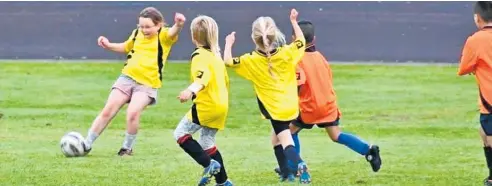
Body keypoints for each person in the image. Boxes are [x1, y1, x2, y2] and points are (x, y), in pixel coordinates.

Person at [273, 20, 382, 178]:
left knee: (289, 132)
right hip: (328, 104)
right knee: (336, 135)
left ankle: (293, 167)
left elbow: (297, 85)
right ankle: (369, 150)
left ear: (293, 39)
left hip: (310, 106)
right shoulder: (321, 58)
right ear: (314, 39)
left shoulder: (297, 60)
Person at [223, 9, 311, 184]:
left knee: (285, 140)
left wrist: (228, 43)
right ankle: (287, 173)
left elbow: (228, 61)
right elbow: (301, 41)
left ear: (254, 38)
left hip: (274, 109)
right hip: (291, 106)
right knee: (276, 139)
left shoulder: (251, 59)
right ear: (275, 33)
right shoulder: (287, 52)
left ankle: (299, 164)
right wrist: (294, 21)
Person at [83, 7, 185, 156]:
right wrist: (108, 45)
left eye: (148, 27)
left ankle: (127, 148)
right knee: (108, 110)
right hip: (127, 77)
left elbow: (173, 32)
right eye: (141, 26)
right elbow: (126, 46)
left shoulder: (164, 36)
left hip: (147, 84)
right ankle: (87, 143)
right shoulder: (137, 33)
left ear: (159, 25)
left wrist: (179, 24)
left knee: (132, 113)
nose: (144, 30)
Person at [173, 15, 233, 186]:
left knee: (180, 133)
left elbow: (202, 78)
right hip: (221, 106)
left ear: (193, 37)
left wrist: (190, 91)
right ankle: (223, 182)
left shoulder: (199, 55)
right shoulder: (216, 57)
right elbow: (225, 81)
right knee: (207, 142)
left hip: (207, 105)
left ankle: (209, 164)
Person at [458, 2, 492, 185]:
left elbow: (463, 68)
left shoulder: (476, 40)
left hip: (489, 101)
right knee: (484, 133)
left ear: (478, 18)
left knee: (489, 136)